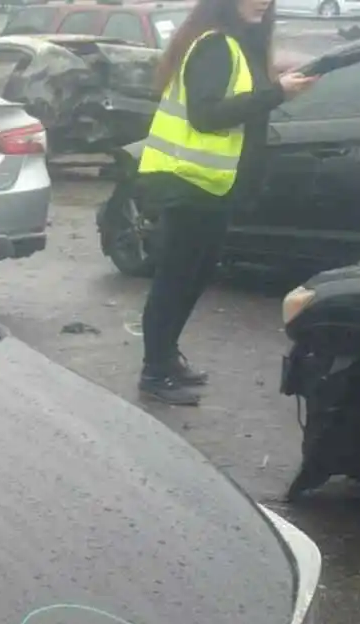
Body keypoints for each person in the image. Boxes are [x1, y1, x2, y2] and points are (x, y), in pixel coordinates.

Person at [133, 0, 317, 406]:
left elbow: (242, 106)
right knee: (176, 279)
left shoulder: (242, 43)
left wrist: (278, 90)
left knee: (195, 276)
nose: (263, 3)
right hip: (189, 183)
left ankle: (166, 358)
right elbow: (206, 116)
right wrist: (276, 93)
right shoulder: (215, 44)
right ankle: (155, 370)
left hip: (213, 185)